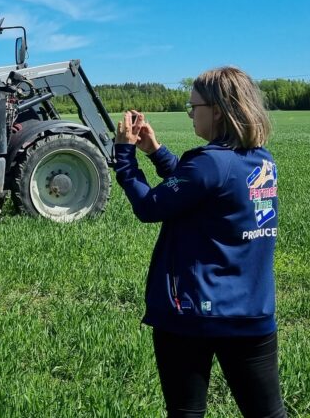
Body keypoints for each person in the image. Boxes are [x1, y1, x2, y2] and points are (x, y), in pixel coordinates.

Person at [113, 66, 285, 418]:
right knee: (268, 414)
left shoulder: (209, 163)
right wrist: (156, 151)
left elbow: (150, 207)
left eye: (194, 108)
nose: (191, 115)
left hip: (192, 313)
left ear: (218, 110)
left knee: (186, 412)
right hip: (253, 311)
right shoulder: (261, 161)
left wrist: (124, 157)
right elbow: (199, 186)